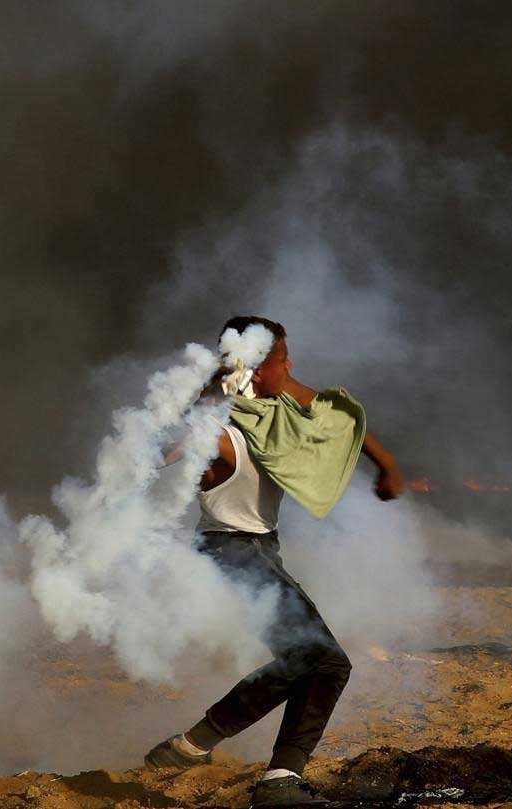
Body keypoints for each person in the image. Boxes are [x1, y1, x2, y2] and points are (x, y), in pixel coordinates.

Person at [143, 316, 402, 808]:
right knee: (323, 660)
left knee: (315, 662)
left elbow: (334, 414)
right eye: (284, 362)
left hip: (262, 550)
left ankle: (215, 755)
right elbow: (158, 451)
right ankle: (232, 761)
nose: (292, 371)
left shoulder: (275, 415)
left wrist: (386, 465)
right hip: (229, 552)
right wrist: (201, 406)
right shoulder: (219, 431)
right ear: (257, 369)